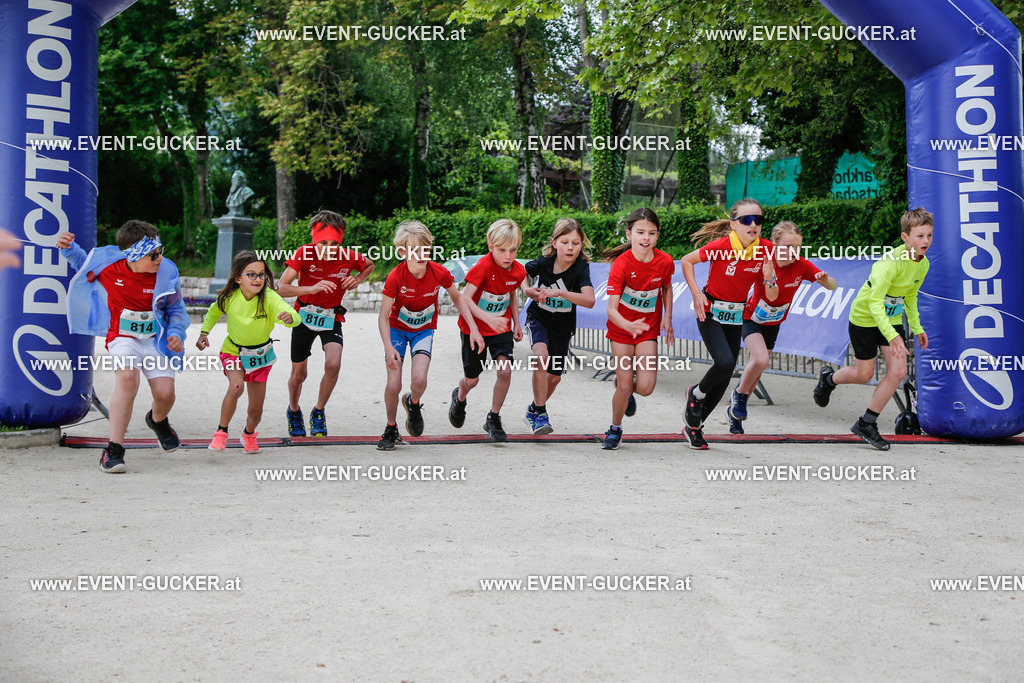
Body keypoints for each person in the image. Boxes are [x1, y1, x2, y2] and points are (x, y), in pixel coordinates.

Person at [57, 221, 188, 473]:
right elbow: (84, 264)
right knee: (127, 379)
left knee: (165, 395)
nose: (159, 258)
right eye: (152, 255)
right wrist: (68, 249)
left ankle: (158, 420)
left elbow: (175, 308)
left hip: (155, 341)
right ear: (133, 255)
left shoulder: (167, 272)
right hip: (121, 337)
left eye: (160, 251)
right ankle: (114, 449)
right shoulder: (109, 266)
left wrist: (175, 333)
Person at [813, 207, 932, 450]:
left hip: (891, 319)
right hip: (865, 318)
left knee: (898, 371)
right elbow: (875, 303)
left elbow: (910, 296)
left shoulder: (923, 264)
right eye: (920, 236)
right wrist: (892, 336)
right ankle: (829, 379)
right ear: (905, 237)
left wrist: (917, 328)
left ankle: (866, 423)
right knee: (864, 374)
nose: (926, 241)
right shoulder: (889, 263)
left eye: (929, 235)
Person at [680, 198, 773, 450]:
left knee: (723, 379)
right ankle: (696, 394)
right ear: (734, 224)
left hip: (736, 316)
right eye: (746, 220)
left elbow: (772, 294)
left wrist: (771, 280)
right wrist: (696, 293)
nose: (753, 225)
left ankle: (694, 427)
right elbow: (686, 261)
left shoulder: (767, 249)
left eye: (758, 220)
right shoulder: (721, 246)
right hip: (709, 312)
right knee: (726, 362)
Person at [726, 222, 837, 434]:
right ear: (775, 244)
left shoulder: (802, 265)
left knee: (757, 371)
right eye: (787, 247)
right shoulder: (765, 263)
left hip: (773, 322)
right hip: (751, 318)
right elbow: (772, 296)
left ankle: (735, 414)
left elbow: (833, 285)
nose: (792, 252)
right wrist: (769, 278)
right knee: (760, 360)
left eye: (797, 247)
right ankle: (738, 394)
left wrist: (825, 280)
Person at [277, 211, 374, 437]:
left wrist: (357, 279)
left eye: (334, 243)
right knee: (299, 374)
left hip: (331, 317)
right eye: (323, 243)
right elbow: (280, 288)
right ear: (314, 241)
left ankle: (318, 411)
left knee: (333, 364)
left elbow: (369, 265)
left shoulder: (348, 256)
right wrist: (311, 288)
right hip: (303, 316)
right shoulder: (304, 253)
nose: (329, 248)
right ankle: (293, 410)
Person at [376, 220, 469, 450]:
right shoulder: (396, 277)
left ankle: (413, 403)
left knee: (419, 380)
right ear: (401, 251)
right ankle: (390, 427)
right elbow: (383, 316)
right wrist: (388, 348)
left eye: (425, 249)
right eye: (414, 250)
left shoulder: (438, 272)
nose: (421, 254)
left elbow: (458, 297)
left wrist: (473, 326)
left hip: (423, 330)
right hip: (396, 330)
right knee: (394, 384)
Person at [198, 252, 299, 453]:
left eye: (261, 274)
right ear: (238, 278)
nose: (258, 279)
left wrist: (290, 318)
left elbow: (293, 315)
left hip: (261, 356)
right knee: (236, 387)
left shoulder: (269, 297)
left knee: (256, 408)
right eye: (251, 274)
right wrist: (204, 332)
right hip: (233, 351)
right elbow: (213, 312)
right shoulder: (228, 297)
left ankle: (249, 434)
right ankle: (221, 433)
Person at [448, 219, 530, 442]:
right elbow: (464, 299)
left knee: (505, 371)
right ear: (490, 246)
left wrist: (516, 322)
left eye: (513, 250)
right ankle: (460, 396)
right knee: (472, 380)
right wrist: (480, 324)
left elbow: (511, 293)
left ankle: (493, 418)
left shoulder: (517, 270)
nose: (508, 256)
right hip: (473, 327)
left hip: (500, 329)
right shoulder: (483, 267)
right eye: (502, 250)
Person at [601, 208, 675, 450]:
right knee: (625, 385)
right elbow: (612, 309)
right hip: (621, 330)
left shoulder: (664, 261)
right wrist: (627, 324)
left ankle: (625, 390)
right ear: (629, 234)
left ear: (657, 236)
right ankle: (614, 428)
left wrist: (668, 318)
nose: (646, 238)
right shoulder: (621, 264)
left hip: (647, 330)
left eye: (652, 233)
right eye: (640, 232)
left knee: (645, 387)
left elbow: (666, 288)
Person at [523, 218, 595, 435]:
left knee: (554, 377)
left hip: (563, 326)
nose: (570, 247)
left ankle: (533, 410)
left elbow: (589, 300)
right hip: (539, 319)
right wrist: (527, 289)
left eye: (575, 242)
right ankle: (541, 414)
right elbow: (521, 273)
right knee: (540, 357)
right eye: (565, 242)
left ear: (582, 244)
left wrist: (560, 292)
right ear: (554, 243)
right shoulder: (544, 262)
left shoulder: (581, 268)